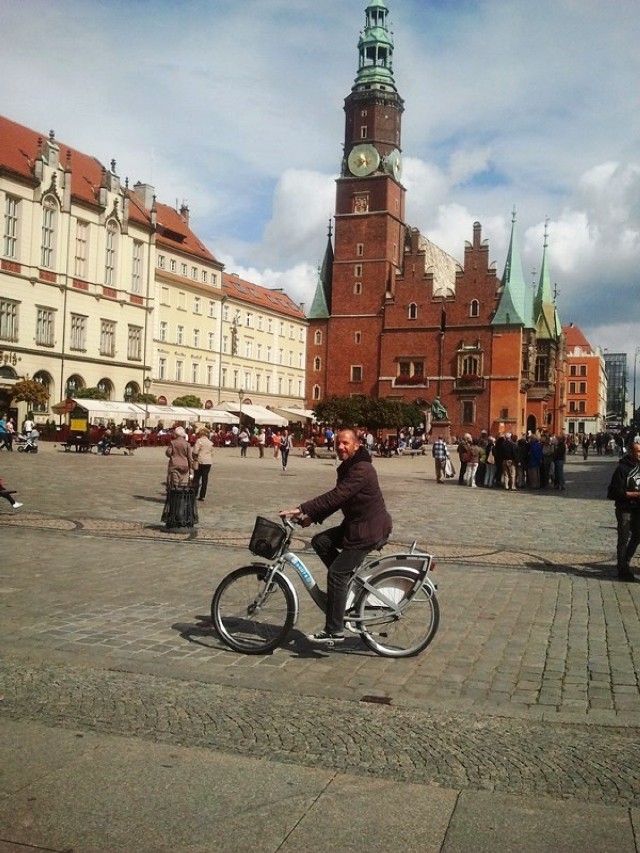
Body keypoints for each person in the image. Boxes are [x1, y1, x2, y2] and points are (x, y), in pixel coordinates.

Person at [280, 427, 392, 645]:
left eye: (345, 443)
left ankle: (334, 630)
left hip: (368, 530)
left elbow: (336, 495)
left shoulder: (363, 469)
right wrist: (312, 517)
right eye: (338, 443)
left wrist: (302, 508)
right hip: (355, 526)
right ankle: (345, 586)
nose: (340, 446)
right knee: (320, 542)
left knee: (336, 574)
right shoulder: (347, 468)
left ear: (357, 445)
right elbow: (339, 500)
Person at [608, 440, 640, 582]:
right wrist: (633, 495)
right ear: (631, 452)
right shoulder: (622, 469)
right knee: (624, 538)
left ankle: (625, 560)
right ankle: (623, 570)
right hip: (625, 508)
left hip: (638, 508)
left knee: (638, 536)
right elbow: (614, 492)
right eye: (638, 451)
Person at [162, 426, 197, 529]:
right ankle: (181, 511)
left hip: (175, 466)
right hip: (185, 467)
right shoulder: (187, 444)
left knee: (175, 488)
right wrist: (191, 470)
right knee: (183, 488)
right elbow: (190, 458)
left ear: (176, 434)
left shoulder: (173, 443)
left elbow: (168, 453)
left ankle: (174, 511)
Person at [192, 428, 214, 502]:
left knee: (196, 478)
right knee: (205, 479)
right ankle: (202, 496)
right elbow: (212, 453)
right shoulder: (210, 442)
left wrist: (194, 457)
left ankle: (194, 493)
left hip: (200, 461)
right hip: (208, 462)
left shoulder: (199, 441)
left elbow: (195, 451)